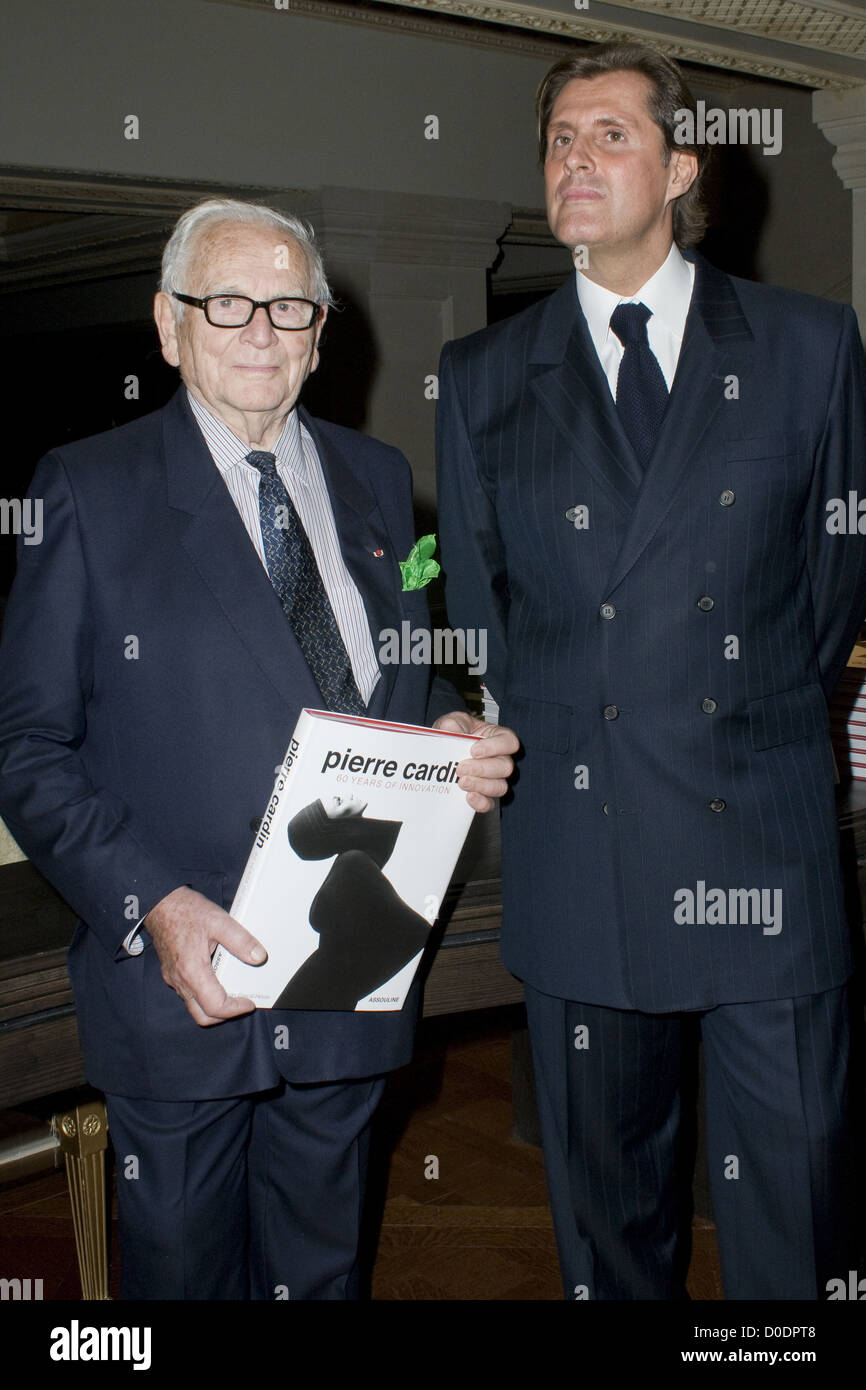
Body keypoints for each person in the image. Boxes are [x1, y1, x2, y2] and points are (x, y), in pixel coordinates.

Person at [0, 197, 516, 1300]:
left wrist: (444, 733)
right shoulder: (85, 490)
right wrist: (153, 906)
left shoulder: (377, 478)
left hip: (348, 974)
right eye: (225, 301)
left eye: (289, 304)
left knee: (320, 1269)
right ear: (167, 323)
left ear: (320, 330)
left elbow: (393, 684)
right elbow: (29, 747)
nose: (259, 329)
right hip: (184, 985)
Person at [436, 42, 866, 1300]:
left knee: (795, 1217)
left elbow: (833, 580)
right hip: (585, 856)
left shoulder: (805, 345)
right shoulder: (478, 375)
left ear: (680, 167)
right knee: (609, 1223)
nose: (574, 158)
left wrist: (737, 716)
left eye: (607, 135)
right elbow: (481, 607)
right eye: (559, 139)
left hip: (763, 855)